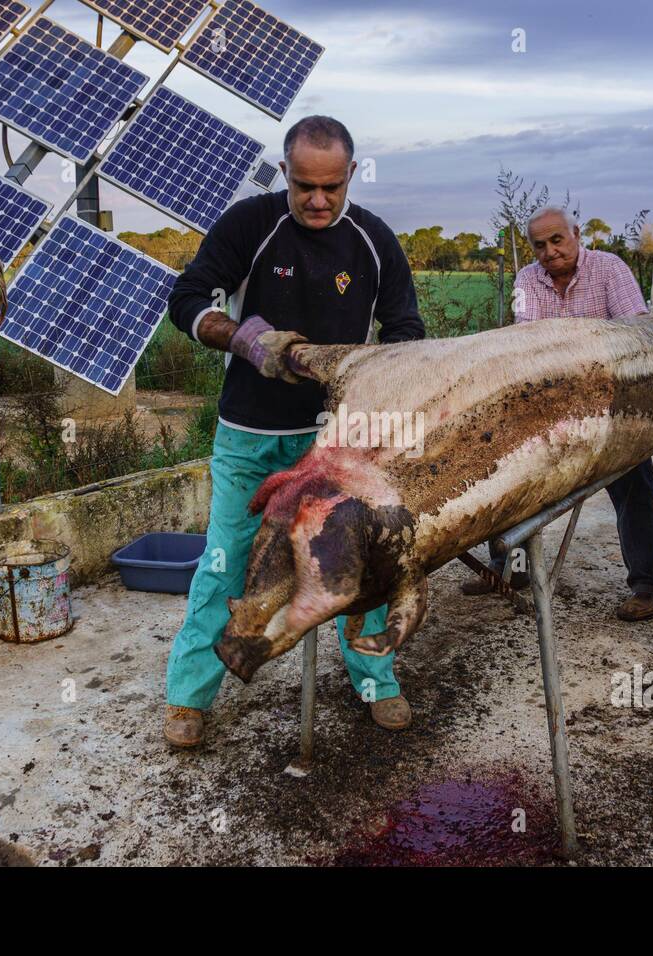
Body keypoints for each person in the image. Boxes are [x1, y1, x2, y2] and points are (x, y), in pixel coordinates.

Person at [162, 116, 425, 747]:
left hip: (337, 442)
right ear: (284, 172)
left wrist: (380, 384)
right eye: (304, 185)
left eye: (331, 187)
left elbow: (406, 333)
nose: (317, 200)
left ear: (351, 176)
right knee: (226, 565)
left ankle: (375, 681)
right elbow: (188, 296)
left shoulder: (374, 241)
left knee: (358, 566)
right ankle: (189, 696)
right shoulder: (251, 225)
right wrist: (245, 340)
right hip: (250, 438)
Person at [460, 206, 653, 622]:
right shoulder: (527, 280)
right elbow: (527, 345)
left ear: (576, 234)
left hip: (612, 405)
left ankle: (647, 584)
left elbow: (640, 334)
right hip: (552, 405)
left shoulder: (609, 269)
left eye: (558, 240)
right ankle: (510, 570)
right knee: (510, 473)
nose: (551, 251)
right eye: (540, 245)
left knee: (634, 484)